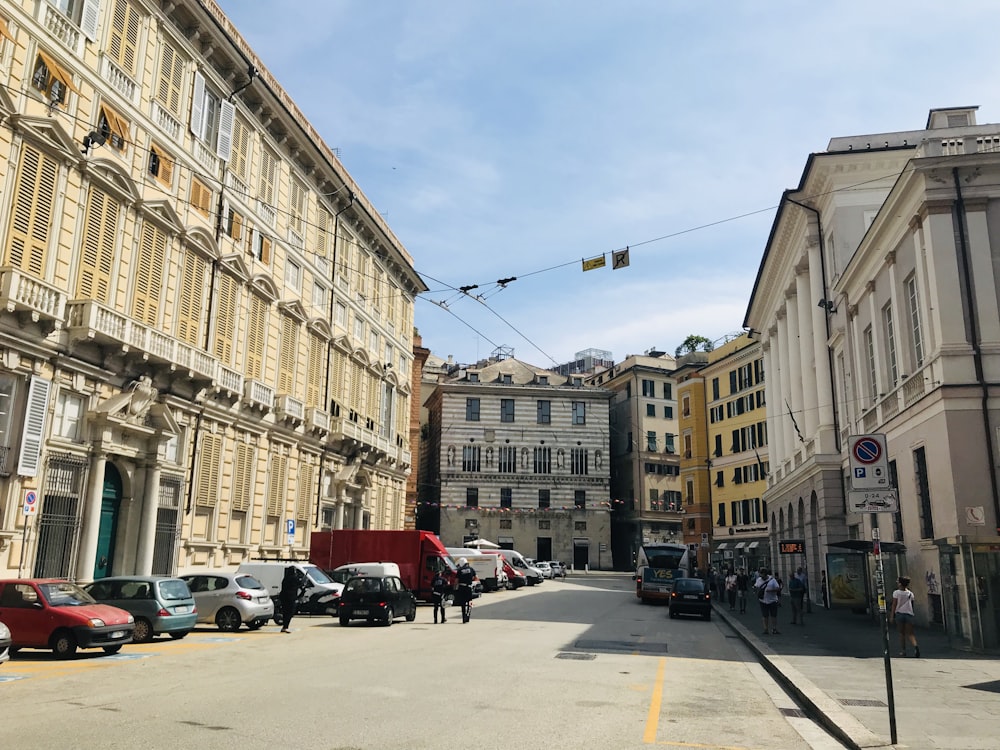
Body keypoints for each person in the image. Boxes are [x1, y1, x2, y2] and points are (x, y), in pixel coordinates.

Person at [889, 576, 920, 657]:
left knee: (901, 633)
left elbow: (894, 605)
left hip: (899, 614)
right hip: (909, 614)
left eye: (897, 581)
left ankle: (903, 651)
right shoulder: (910, 593)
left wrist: (892, 616)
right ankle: (916, 646)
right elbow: (912, 605)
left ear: (900, 583)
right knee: (910, 633)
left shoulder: (896, 593)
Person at [278, 566, 305, 633]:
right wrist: (304, 580)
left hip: (284, 597)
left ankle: (285, 626)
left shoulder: (285, 578)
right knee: (290, 612)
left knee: (285, 612)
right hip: (290, 597)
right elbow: (299, 584)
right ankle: (285, 626)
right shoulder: (293, 578)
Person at [756, 567, 781, 635]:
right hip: (763, 600)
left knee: (773, 615)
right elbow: (756, 587)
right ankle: (766, 629)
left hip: (772, 600)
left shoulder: (772, 580)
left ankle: (774, 628)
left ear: (765, 574)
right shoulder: (759, 580)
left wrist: (771, 591)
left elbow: (778, 588)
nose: (761, 576)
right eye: (760, 574)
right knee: (765, 615)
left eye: (762, 575)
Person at [455, 557, 476, 624]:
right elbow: (475, 577)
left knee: (463, 603)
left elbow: (456, 580)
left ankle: (464, 617)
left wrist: (455, 587)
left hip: (462, 587)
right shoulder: (471, 569)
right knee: (470, 602)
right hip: (469, 587)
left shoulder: (460, 570)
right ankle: (468, 615)